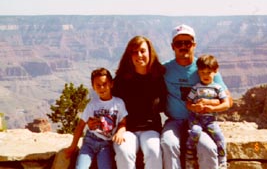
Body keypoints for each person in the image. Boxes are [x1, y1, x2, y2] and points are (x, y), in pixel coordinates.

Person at [160, 24, 233, 169]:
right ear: (172, 46)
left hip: (201, 122)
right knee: (168, 144)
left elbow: (229, 100)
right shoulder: (164, 69)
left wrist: (208, 105)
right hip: (175, 121)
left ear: (194, 45)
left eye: (187, 42)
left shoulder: (205, 68)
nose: (183, 46)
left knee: (209, 148)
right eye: (178, 43)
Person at [112, 35, 167, 169]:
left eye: (142, 51)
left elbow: (164, 104)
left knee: (154, 152)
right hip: (126, 129)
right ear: (129, 56)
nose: (139, 55)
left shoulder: (158, 78)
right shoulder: (121, 80)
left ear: (150, 52)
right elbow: (112, 106)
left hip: (151, 128)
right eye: (134, 52)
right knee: (124, 152)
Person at [64, 67, 128, 169]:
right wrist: (73, 146)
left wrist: (120, 132)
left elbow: (123, 123)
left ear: (111, 84)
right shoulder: (92, 105)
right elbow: (81, 125)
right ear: (93, 87)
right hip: (89, 142)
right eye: (98, 85)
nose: (102, 88)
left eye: (104, 84)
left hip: (106, 145)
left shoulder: (118, 103)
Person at [185, 54, 230, 169]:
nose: (205, 76)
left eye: (208, 73)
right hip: (196, 119)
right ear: (198, 72)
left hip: (210, 120)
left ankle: (222, 161)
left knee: (219, 137)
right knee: (195, 131)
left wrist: (213, 109)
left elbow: (226, 104)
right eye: (202, 73)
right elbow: (188, 103)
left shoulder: (218, 88)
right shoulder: (196, 88)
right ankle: (189, 154)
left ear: (215, 71)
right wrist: (195, 107)